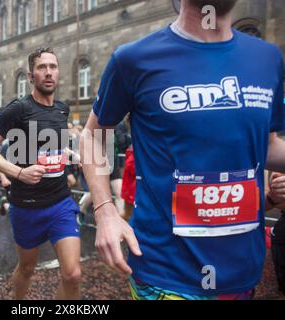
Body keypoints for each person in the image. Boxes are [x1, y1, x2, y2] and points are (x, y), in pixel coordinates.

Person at [80, 0, 284, 300]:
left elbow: (268, 146)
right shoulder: (133, 59)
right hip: (164, 273)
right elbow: (93, 136)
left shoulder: (267, 58)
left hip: (242, 272)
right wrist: (105, 211)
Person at [0, 47, 82, 300]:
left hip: (60, 204)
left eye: (53, 67)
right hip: (27, 207)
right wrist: (18, 173)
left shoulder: (62, 109)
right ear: (31, 75)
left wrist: (68, 157)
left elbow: (52, 145)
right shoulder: (18, 109)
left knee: (73, 274)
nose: (48, 72)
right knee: (27, 268)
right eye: (42, 67)